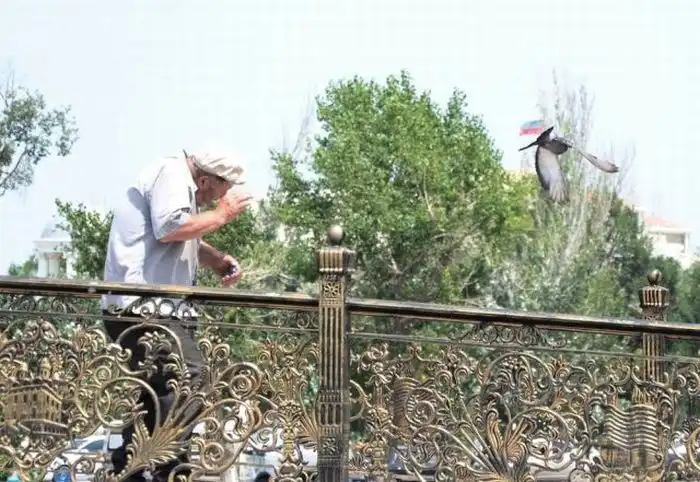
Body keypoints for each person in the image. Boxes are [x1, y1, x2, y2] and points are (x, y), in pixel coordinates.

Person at [100, 147, 252, 482]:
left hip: (151, 310)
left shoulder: (181, 184)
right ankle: (167, 469)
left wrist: (217, 261)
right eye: (221, 190)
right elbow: (170, 227)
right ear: (204, 179)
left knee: (156, 392)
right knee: (188, 376)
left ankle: (133, 469)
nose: (220, 199)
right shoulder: (171, 174)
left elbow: (181, 237)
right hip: (142, 308)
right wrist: (221, 215)